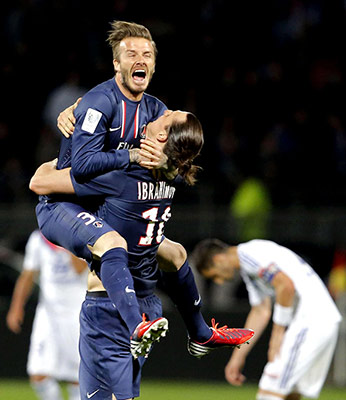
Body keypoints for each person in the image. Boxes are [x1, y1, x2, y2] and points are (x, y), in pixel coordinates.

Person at [29, 110, 253, 400]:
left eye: (166, 118)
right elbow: (174, 254)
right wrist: (196, 324)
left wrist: (73, 137)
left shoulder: (121, 175)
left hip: (110, 313)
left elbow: (41, 182)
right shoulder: (165, 179)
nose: (158, 113)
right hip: (149, 302)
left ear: (160, 138)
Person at [43, 19, 252, 358]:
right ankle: (135, 325)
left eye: (146, 53)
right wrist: (133, 155)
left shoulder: (156, 109)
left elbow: (172, 158)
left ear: (154, 63)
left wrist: (165, 164)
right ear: (116, 63)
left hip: (103, 199)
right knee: (113, 243)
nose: (140, 59)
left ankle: (199, 333)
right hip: (64, 199)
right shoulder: (99, 102)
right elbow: (80, 167)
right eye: (131, 53)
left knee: (175, 253)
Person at [193, 238, 341, 400]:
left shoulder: (251, 254)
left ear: (217, 259)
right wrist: (238, 356)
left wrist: (278, 335)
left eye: (214, 275)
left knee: (269, 391)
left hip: (311, 320)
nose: (219, 281)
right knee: (290, 396)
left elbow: (285, 285)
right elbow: (260, 311)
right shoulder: (251, 268)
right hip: (322, 318)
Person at [6, 230, 90, 400]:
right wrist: (16, 307)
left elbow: (80, 269)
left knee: (77, 380)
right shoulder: (37, 239)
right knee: (37, 374)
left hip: (77, 316)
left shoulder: (80, 235)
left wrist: (67, 243)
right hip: (48, 316)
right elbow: (28, 274)